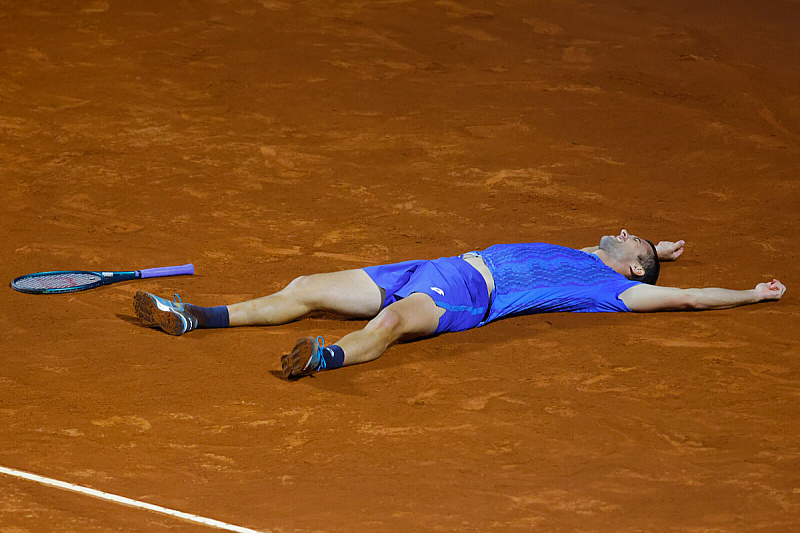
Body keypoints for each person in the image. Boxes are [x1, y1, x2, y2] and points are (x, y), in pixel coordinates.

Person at [133, 230, 786, 379]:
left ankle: (325, 358)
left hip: (470, 293)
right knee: (306, 285)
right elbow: (626, 245)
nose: (615, 228)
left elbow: (691, 296)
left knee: (388, 322)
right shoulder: (593, 253)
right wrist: (660, 240)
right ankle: (195, 316)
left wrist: (752, 294)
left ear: (632, 267)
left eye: (629, 238)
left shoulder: (614, 286)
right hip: (430, 264)